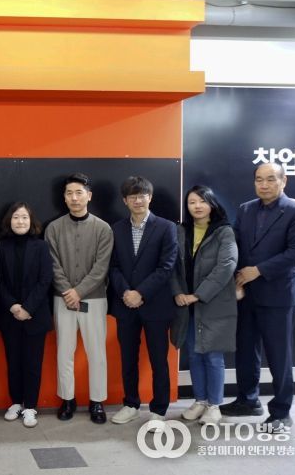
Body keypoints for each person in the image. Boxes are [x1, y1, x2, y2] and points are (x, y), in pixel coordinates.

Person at [221, 163, 295, 431]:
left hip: (276, 295)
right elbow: (235, 244)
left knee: (278, 355)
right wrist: (236, 277)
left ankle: (282, 411)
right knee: (246, 351)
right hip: (246, 293)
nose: (264, 185)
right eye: (259, 179)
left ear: (284, 181)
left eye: (271, 179)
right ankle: (247, 400)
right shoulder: (246, 209)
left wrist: (258, 270)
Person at [107, 176, 178, 430]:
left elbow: (166, 266)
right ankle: (131, 404)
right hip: (125, 304)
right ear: (125, 201)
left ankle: (159, 410)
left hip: (156, 305)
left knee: (159, 359)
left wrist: (141, 293)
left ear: (150, 197)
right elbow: (112, 266)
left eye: (142, 195)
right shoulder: (116, 229)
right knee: (128, 358)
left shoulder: (166, 227)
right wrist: (126, 292)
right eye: (132, 196)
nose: (138, 200)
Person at [44, 173, 113, 424]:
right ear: (64, 198)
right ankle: (68, 399)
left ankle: (97, 401)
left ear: (89, 196)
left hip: (94, 298)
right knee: (64, 351)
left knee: (97, 352)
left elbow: (101, 267)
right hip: (62, 298)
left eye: (79, 193)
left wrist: (79, 291)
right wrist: (68, 291)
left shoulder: (103, 228)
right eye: (69, 193)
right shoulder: (53, 228)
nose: (74, 198)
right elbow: (52, 265)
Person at [170, 185, 238, 426]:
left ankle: (214, 405)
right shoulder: (180, 230)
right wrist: (178, 292)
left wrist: (198, 295)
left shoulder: (224, 231)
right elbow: (171, 265)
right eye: (192, 202)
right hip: (185, 304)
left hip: (213, 303)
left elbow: (226, 266)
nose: (197, 206)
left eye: (202, 201)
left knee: (213, 356)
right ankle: (200, 401)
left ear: (211, 204)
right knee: (194, 354)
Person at [0, 202, 52, 428]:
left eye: (25, 217)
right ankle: (16, 403)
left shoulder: (41, 247)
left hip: (35, 315)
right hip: (9, 315)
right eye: (16, 217)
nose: (20, 221)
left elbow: (45, 280)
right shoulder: (0, 247)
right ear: (9, 221)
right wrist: (13, 306)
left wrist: (28, 308)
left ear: (31, 221)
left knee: (33, 363)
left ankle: (30, 407)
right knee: (13, 362)